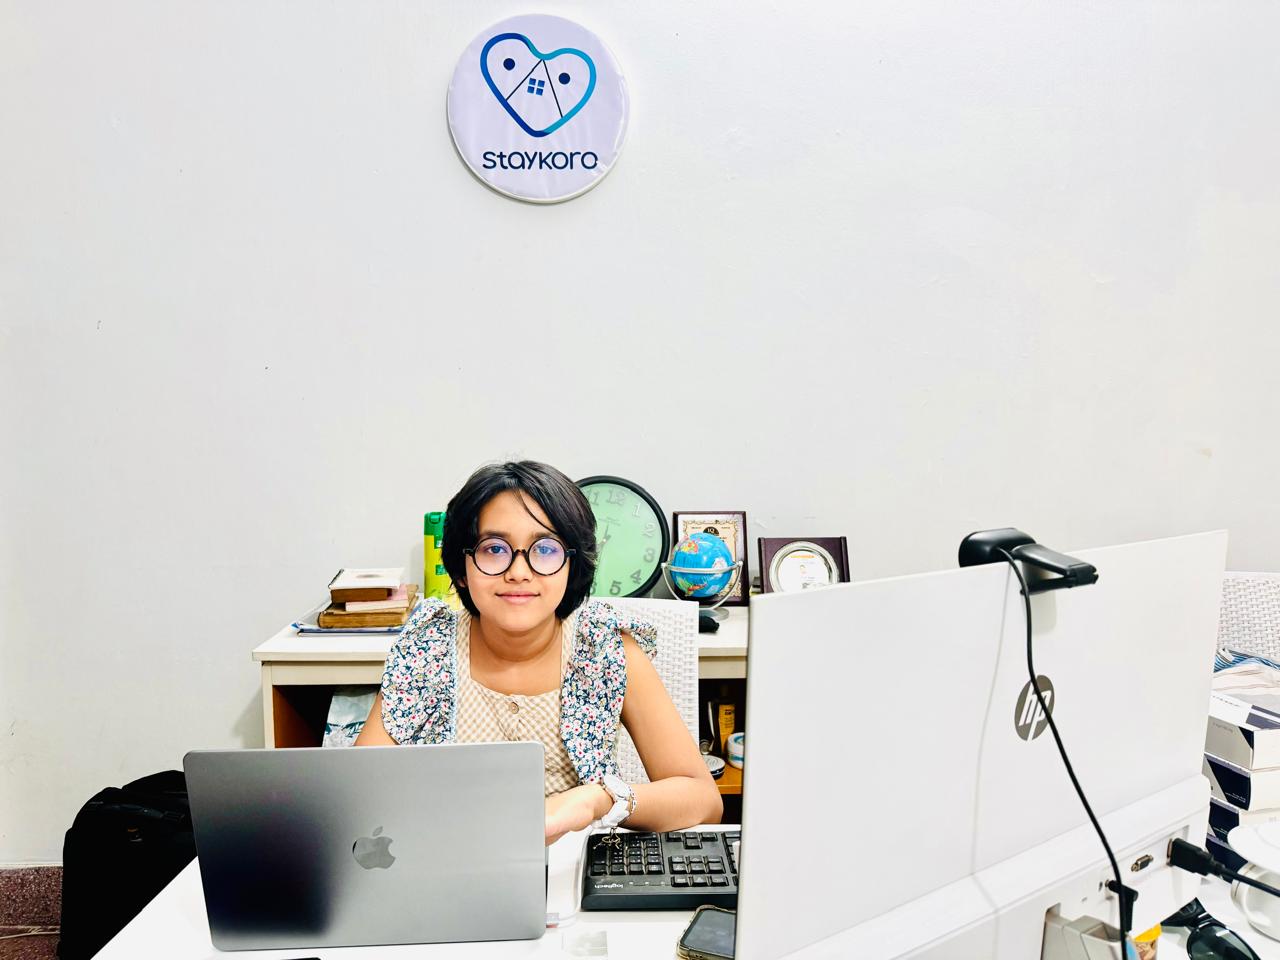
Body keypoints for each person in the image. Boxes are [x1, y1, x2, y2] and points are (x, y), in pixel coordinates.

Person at [356, 460, 723, 844]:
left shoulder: (605, 649)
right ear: (462, 568)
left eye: (545, 549)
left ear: (572, 564)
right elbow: (357, 795)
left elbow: (702, 800)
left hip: (575, 882)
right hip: (449, 871)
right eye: (494, 548)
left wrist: (597, 799)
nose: (519, 571)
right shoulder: (427, 649)